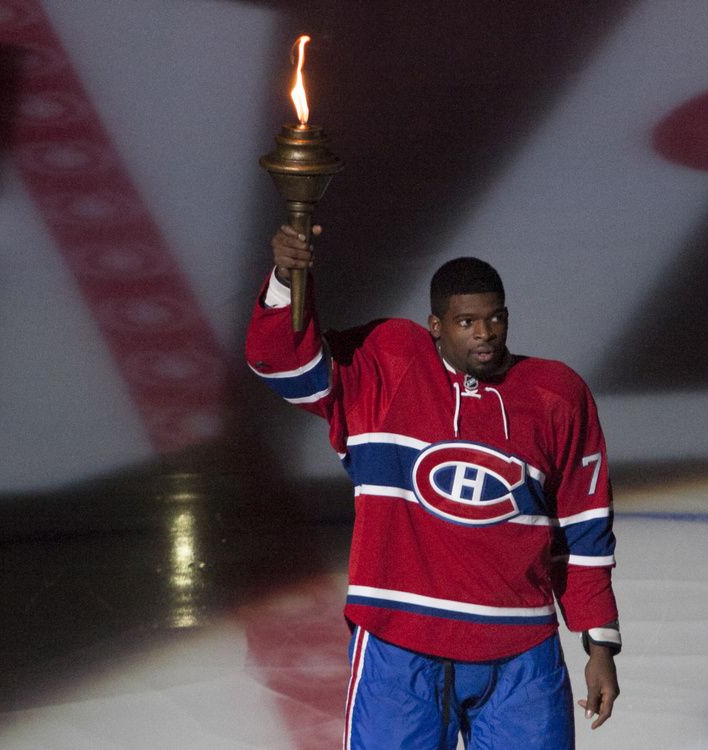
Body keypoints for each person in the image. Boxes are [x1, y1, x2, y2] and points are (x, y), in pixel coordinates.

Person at [246, 225, 620, 749]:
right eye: (467, 322)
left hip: (521, 654)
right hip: (400, 648)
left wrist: (598, 643)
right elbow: (287, 367)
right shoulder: (387, 366)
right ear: (436, 326)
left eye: (495, 318)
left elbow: (584, 527)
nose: (484, 333)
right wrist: (287, 279)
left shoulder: (557, 394)